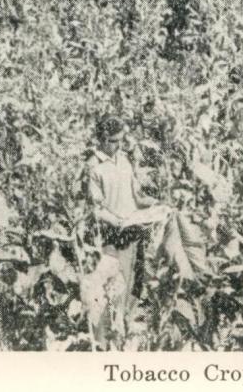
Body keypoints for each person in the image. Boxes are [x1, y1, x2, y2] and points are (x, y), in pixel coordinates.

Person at [86, 114, 157, 346]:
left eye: (121, 140)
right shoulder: (94, 167)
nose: (119, 145)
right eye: (114, 141)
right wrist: (117, 221)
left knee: (135, 279)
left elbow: (136, 194)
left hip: (133, 227)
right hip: (114, 234)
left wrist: (155, 205)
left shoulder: (125, 160)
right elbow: (96, 209)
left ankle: (126, 326)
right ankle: (110, 335)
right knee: (116, 283)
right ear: (103, 139)